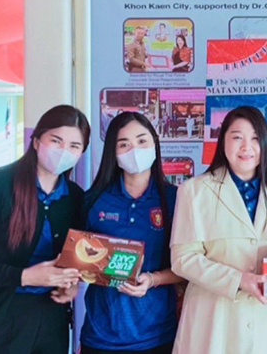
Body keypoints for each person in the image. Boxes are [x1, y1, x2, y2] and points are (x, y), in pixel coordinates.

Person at [0, 105, 90, 354]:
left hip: (52, 315)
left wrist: (71, 284)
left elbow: (75, 258)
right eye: (56, 141)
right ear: (36, 141)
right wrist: (25, 276)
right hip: (1, 317)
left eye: (74, 146)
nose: (64, 151)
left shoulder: (75, 198)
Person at [170, 106, 267, 353]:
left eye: (255, 138)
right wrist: (239, 280)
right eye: (237, 137)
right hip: (212, 324)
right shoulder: (194, 191)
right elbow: (182, 259)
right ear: (223, 142)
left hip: (259, 325)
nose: (246, 147)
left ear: (265, 145)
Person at [80, 112, 183, 354]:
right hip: (101, 335)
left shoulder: (176, 199)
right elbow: (77, 258)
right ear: (113, 153)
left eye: (142, 141)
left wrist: (153, 279)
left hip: (157, 334)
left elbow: (187, 266)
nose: (134, 150)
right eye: (124, 144)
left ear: (155, 146)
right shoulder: (94, 200)